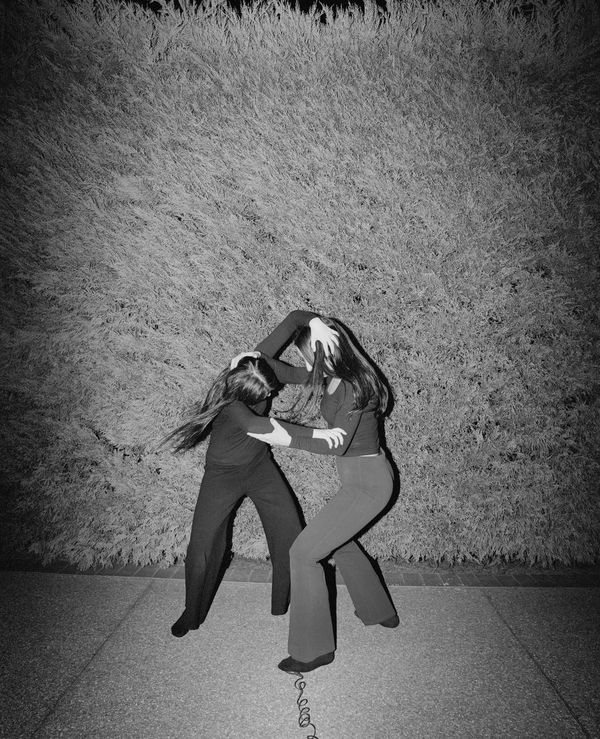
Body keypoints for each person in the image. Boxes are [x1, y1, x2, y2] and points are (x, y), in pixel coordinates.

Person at [233, 310, 398, 673]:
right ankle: (379, 611)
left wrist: (281, 434)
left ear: (327, 350)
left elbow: (336, 443)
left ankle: (313, 650)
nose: (307, 366)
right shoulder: (331, 376)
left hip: (370, 483)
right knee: (336, 541)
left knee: (304, 553)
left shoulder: (355, 386)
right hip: (356, 479)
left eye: (309, 356)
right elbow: (270, 361)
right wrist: (308, 324)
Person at [163, 356, 345, 638]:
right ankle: (192, 612)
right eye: (264, 394)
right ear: (241, 391)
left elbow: (297, 371)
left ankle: (283, 601)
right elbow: (259, 426)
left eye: (270, 390)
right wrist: (322, 437)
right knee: (202, 546)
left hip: (259, 466)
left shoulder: (255, 368)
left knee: (289, 530)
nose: (271, 395)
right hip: (222, 475)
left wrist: (331, 369)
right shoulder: (231, 402)